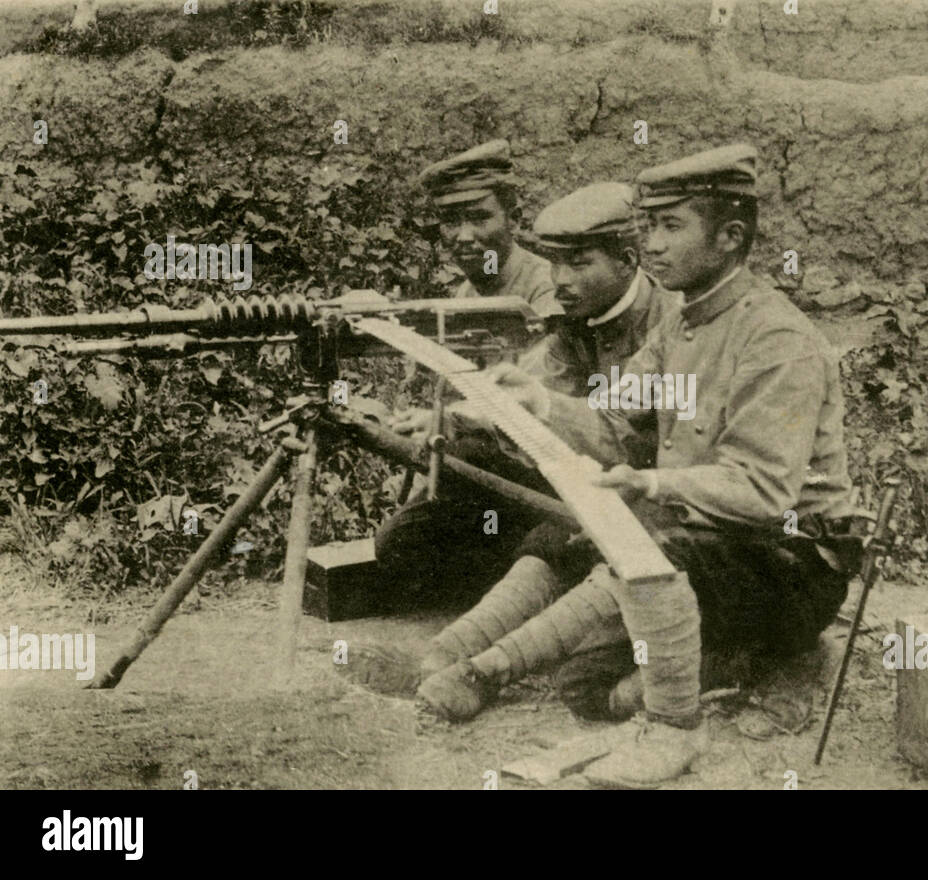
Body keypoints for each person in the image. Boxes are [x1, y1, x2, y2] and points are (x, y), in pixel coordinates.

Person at [414, 144, 865, 788]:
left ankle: (663, 725)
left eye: (670, 226)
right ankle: (734, 659)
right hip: (710, 546)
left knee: (651, 544)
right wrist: (537, 400)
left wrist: (649, 482)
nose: (650, 245)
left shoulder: (776, 340)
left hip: (788, 565)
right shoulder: (681, 321)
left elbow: (763, 491)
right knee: (587, 684)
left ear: (731, 237)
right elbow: (613, 419)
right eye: (649, 226)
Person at [347, 182, 681, 698]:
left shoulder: (668, 326)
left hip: (664, 495)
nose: (561, 281)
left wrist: (539, 409)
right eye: (555, 265)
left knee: (572, 537)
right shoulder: (579, 321)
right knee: (547, 532)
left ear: (628, 260)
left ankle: (474, 667)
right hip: (596, 481)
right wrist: (460, 418)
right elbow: (537, 382)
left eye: (578, 264)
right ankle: (446, 654)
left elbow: (632, 432)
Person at [421, 138, 562, 319]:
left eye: (479, 218)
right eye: (451, 221)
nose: (464, 237)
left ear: (513, 220)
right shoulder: (471, 288)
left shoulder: (546, 289)